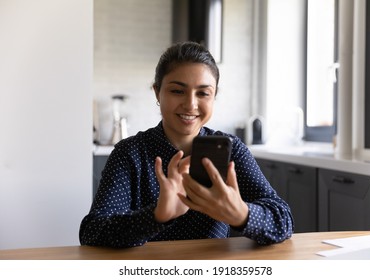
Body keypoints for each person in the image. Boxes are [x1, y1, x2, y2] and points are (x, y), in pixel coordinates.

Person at [79, 41, 294, 248]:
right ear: (157, 92)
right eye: (177, 91)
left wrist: (242, 214)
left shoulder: (231, 150)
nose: (190, 104)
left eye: (203, 93)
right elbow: (92, 232)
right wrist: (156, 216)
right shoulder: (130, 153)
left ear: (214, 96)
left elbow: (283, 220)